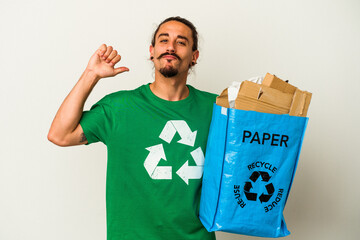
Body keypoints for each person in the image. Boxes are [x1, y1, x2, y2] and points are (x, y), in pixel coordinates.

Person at [48, 16, 217, 240]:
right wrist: (92, 75)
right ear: (152, 51)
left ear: (194, 56)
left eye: (181, 42)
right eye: (164, 40)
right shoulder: (120, 108)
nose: (170, 47)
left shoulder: (217, 109)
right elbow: (60, 135)